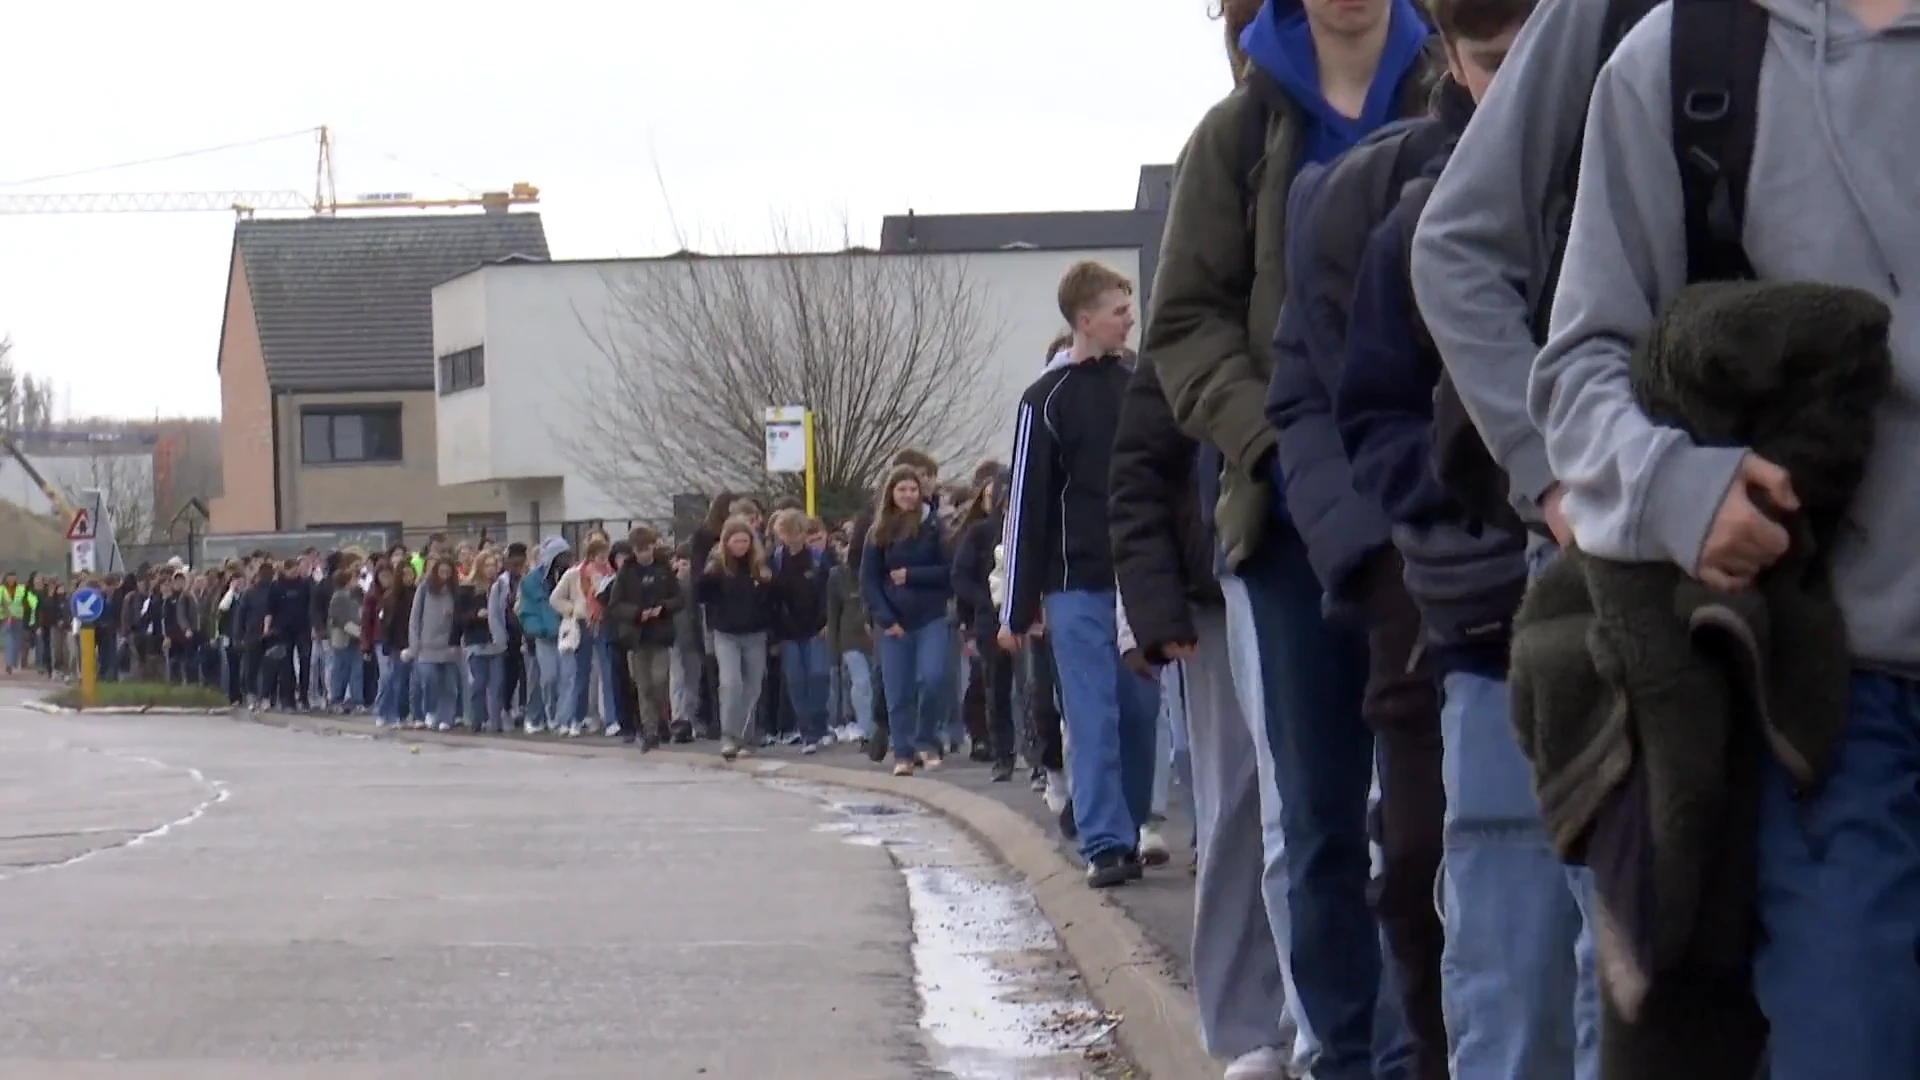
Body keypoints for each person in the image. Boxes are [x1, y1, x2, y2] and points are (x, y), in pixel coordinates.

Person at [1530, 0, 1918, 1072]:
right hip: (1831, 696)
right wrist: (1672, 490)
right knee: (1854, 1042)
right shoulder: (1691, 60)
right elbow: (1576, 367)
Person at [1000, 260, 1158, 889]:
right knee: (1091, 713)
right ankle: (1105, 840)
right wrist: (1018, 605)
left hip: (1140, 578)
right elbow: (1026, 507)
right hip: (1075, 583)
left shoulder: (1143, 384)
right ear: (1085, 317)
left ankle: (1135, 818)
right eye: (1120, 308)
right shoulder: (1045, 399)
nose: (1130, 318)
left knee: (1141, 710)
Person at [862, 465, 955, 778]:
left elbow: (949, 572)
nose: (907, 495)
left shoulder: (934, 528)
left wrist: (911, 575)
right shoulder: (878, 533)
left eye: (912, 489)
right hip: (893, 622)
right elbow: (869, 582)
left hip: (930, 616)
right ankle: (903, 752)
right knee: (898, 690)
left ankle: (927, 740)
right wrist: (886, 619)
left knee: (933, 678)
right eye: (901, 489)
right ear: (891, 493)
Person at [952, 469, 1019, 781]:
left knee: (1034, 688)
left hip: (1026, 617)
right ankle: (1002, 753)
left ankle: (1038, 757)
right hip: (989, 619)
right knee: (996, 687)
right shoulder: (980, 533)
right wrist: (982, 600)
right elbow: (960, 576)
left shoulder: (1030, 529)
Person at [697, 516, 774, 761]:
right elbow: (699, 595)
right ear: (726, 542)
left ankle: (745, 737)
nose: (740, 546)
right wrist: (705, 576)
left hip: (755, 633)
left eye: (744, 541)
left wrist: (766, 582)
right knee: (731, 684)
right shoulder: (718, 567)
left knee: (753, 686)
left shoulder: (759, 566)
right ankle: (729, 737)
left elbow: (771, 600)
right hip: (726, 633)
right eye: (735, 541)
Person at [607, 527, 683, 749]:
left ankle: (662, 718)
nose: (644, 553)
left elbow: (678, 598)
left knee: (659, 681)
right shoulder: (627, 572)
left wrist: (663, 608)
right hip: (637, 637)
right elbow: (615, 606)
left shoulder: (663, 568)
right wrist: (637, 613)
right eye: (640, 550)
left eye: (648, 548)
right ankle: (649, 729)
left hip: (660, 634)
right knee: (643, 685)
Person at [768, 510, 835, 754]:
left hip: (816, 627)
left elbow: (829, 593)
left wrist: (829, 621)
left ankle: (820, 723)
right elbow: (771, 599)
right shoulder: (775, 560)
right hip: (788, 631)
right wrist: (775, 634)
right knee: (796, 681)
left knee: (818, 676)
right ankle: (807, 732)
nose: (791, 539)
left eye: (795, 533)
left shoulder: (819, 560)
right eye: (785, 534)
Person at [518, 537, 570, 735]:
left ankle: (560, 717)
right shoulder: (532, 581)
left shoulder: (569, 576)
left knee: (566, 678)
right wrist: (537, 629)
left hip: (566, 635)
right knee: (549, 677)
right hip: (544, 637)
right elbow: (527, 610)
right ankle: (545, 714)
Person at [407, 556, 462, 731]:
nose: (444, 575)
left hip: (449, 645)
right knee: (430, 679)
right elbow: (415, 618)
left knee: (449, 685)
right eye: (441, 571)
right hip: (427, 646)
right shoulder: (424, 589)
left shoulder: (456, 592)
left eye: (448, 572)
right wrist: (414, 643)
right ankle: (429, 711)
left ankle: (446, 717)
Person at [458, 551, 507, 733]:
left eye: (494, 565)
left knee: (497, 683)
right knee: (479, 682)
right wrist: (475, 615)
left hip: (497, 641)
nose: (491, 569)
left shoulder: (501, 587)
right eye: (487, 565)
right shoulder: (468, 589)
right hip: (477, 641)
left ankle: (495, 722)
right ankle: (477, 720)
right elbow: (459, 618)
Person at [324, 567, 365, 711]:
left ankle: (356, 700)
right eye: (353, 579)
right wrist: (359, 632)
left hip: (353, 639)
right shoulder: (339, 597)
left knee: (355, 671)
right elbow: (340, 619)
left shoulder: (351, 596)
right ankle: (336, 700)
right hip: (343, 639)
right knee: (341, 671)